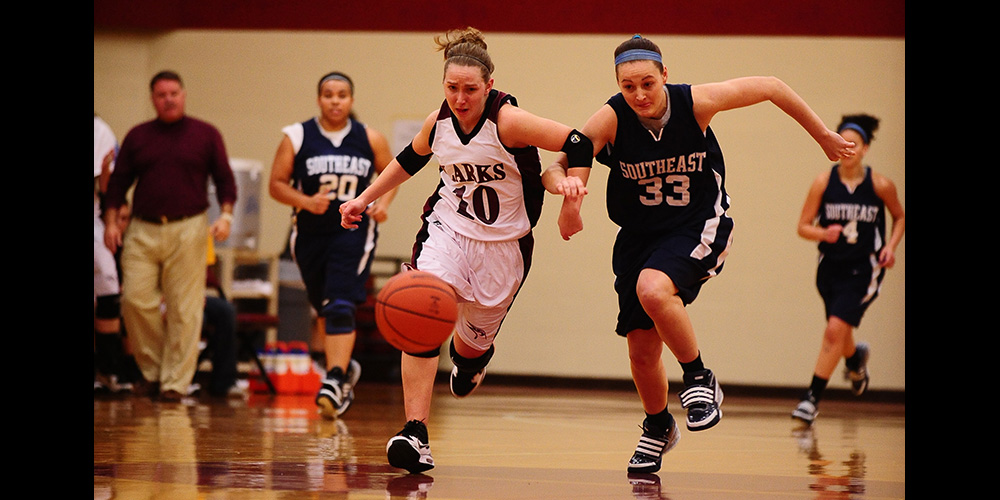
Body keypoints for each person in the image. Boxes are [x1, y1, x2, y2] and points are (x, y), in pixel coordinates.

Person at [542, 34, 856, 474]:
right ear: (617, 85)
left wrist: (823, 135)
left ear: (665, 76)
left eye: (647, 83)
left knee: (652, 289)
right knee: (641, 350)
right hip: (639, 236)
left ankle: (698, 377)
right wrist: (567, 195)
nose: (639, 95)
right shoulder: (612, 118)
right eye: (628, 86)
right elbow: (558, 163)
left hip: (697, 223)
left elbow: (770, 86)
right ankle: (657, 426)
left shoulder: (696, 103)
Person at [339, 27, 594, 474]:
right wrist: (364, 198)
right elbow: (409, 160)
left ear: (489, 86)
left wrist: (574, 194)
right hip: (449, 231)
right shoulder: (437, 122)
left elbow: (578, 141)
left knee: (469, 347)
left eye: (470, 89)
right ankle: (414, 432)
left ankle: (471, 360)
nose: (460, 98)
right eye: (452, 88)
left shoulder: (509, 120)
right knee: (420, 310)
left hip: (504, 248)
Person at [103, 70, 238, 402]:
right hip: (142, 228)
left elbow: (225, 179)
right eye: (161, 94)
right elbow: (118, 184)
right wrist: (109, 222)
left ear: (184, 94)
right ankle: (151, 372)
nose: (169, 99)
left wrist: (226, 215)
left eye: (174, 93)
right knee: (134, 300)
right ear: (153, 99)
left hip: (189, 226)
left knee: (185, 308)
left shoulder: (206, 134)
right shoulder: (137, 136)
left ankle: (174, 383)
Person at [269, 71, 397, 419]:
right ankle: (344, 368)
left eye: (342, 95)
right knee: (325, 307)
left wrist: (383, 205)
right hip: (309, 234)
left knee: (340, 303)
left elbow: (392, 172)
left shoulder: (370, 138)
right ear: (319, 99)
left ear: (351, 100)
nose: (335, 100)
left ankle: (335, 378)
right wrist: (305, 200)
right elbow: (276, 184)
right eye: (328, 94)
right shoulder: (296, 136)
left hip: (353, 231)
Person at [790, 113, 905, 426]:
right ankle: (855, 360)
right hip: (830, 267)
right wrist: (823, 234)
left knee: (834, 329)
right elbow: (803, 226)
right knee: (839, 331)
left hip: (864, 268)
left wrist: (889, 248)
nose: (847, 148)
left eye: (853, 143)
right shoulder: (823, 182)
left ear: (865, 149)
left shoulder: (880, 185)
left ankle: (811, 399)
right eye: (842, 142)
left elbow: (900, 217)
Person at [94, 114, 131, 393]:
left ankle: (107, 371)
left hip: (95, 217)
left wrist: (106, 175)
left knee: (108, 288)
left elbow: (108, 189)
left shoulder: (100, 131)